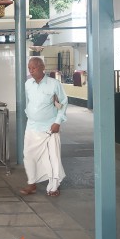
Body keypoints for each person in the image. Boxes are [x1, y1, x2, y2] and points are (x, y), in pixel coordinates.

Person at [20, 57, 68, 197]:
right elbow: (28, 102)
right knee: (28, 156)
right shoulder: (28, 84)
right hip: (32, 126)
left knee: (52, 158)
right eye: (29, 68)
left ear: (42, 67)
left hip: (49, 127)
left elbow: (63, 103)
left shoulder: (54, 84)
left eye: (33, 68)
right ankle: (32, 183)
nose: (31, 71)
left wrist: (58, 122)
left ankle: (54, 187)